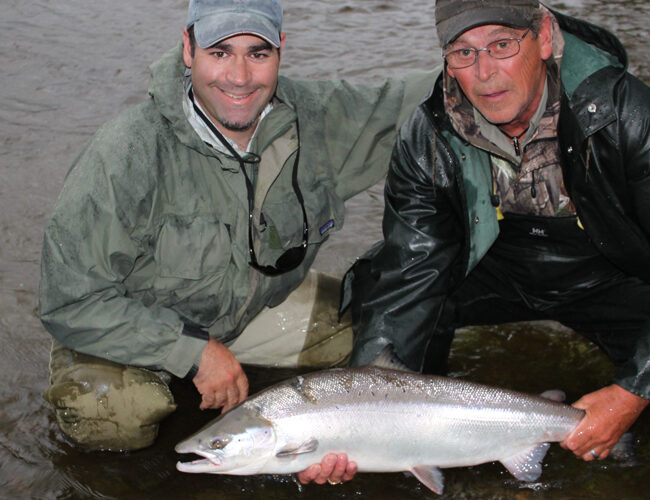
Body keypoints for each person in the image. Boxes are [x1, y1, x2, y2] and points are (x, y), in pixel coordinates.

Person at [338, 0, 650, 472]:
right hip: (491, 268)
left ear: (543, 36)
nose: (484, 73)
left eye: (501, 45)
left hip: (609, 276)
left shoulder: (627, 115)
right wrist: (359, 412)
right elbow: (410, 269)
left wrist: (633, 392)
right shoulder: (427, 135)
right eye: (462, 53)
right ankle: (423, 430)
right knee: (377, 290)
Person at [37, 0, 434, 484]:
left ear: (281, 51)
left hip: (246, 317)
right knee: (117, 417)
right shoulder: (126, 152)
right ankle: (171, 389)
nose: (240, 76)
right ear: (188, 48)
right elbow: (69, 301)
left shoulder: (316, 118)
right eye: (220, 52)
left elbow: (418, 95)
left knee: (376, 330)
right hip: (126, 324)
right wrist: (193, 353)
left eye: (258, 53)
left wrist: (532, 48)